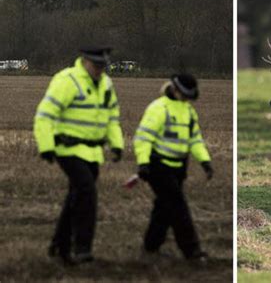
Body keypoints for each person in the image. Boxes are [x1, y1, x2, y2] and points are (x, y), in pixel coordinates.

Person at [33, 47, 124, 265]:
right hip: (68, 150)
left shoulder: (106, 84)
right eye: (96, 66)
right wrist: (46, 147)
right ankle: (82, 248)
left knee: (75, 197)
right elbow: (45, 116)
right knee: (87, 193)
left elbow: (111, 118)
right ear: (84, 61)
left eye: (103, 67)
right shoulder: (67, 80)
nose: (100, 71)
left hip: (92, 152)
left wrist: (117, 145)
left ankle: (59, 245)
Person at [133, 73, 213, 261]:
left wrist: (205, 161)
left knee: (163, 207)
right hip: (157, 167)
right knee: (178, 207)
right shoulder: (158, 108)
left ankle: (151, 246)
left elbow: (195, 140)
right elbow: (143, 138)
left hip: (178, 169)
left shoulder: (188, 111)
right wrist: (143, 163)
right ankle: (192, 250)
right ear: (174, 90)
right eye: (184, 94)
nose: (186, 99)